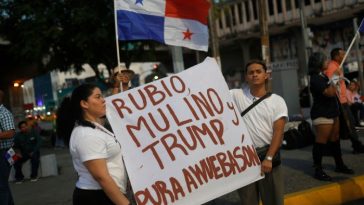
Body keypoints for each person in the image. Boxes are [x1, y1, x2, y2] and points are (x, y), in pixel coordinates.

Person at [56, 83, 130, 205]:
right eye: (98, 97)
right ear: (84, 104)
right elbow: (102, 177)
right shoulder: (86, 135)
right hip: (98, 196)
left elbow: (113, 109)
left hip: (107, 194)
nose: (103, 100)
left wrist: (118, 86)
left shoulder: (97, 127)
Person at [230, 59, 288, 205]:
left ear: (266, 75)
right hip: (244, 160)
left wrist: (268, 158)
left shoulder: (277, 101)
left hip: (268, 157)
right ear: (246, 77)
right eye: (251, 72)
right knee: (248, 201)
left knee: (274, 200)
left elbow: (278, 132)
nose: (254, 75)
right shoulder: (236, 95)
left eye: (258, 72)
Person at [309, 52, 354, 181]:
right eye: (325, 60)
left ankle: (339, 165)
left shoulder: (322, 76)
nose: (328, 61)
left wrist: (335, 77)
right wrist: (335, 77)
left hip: (333, 112)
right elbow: (330, 92)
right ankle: (318, 169)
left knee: (335, 139)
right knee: (321, 142)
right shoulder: (315, 78)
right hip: (322, 113)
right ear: (318, 62)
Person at [325, 48, 364, 154]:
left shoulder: (338, 66)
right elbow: (330, 83)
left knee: (347, 124)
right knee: (348, 123)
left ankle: (354, 145)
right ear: (336, 56)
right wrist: (335, 76)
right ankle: (356, 146)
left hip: (343, 100)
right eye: (343, 54)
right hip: (339, 101)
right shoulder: (332, 67)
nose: (345, 56)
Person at [0, 89, 16, 205]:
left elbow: (10, 133)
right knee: (2, 184)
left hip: (5, 153)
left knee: (1, 185)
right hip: (5, 152)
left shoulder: (4, 113)